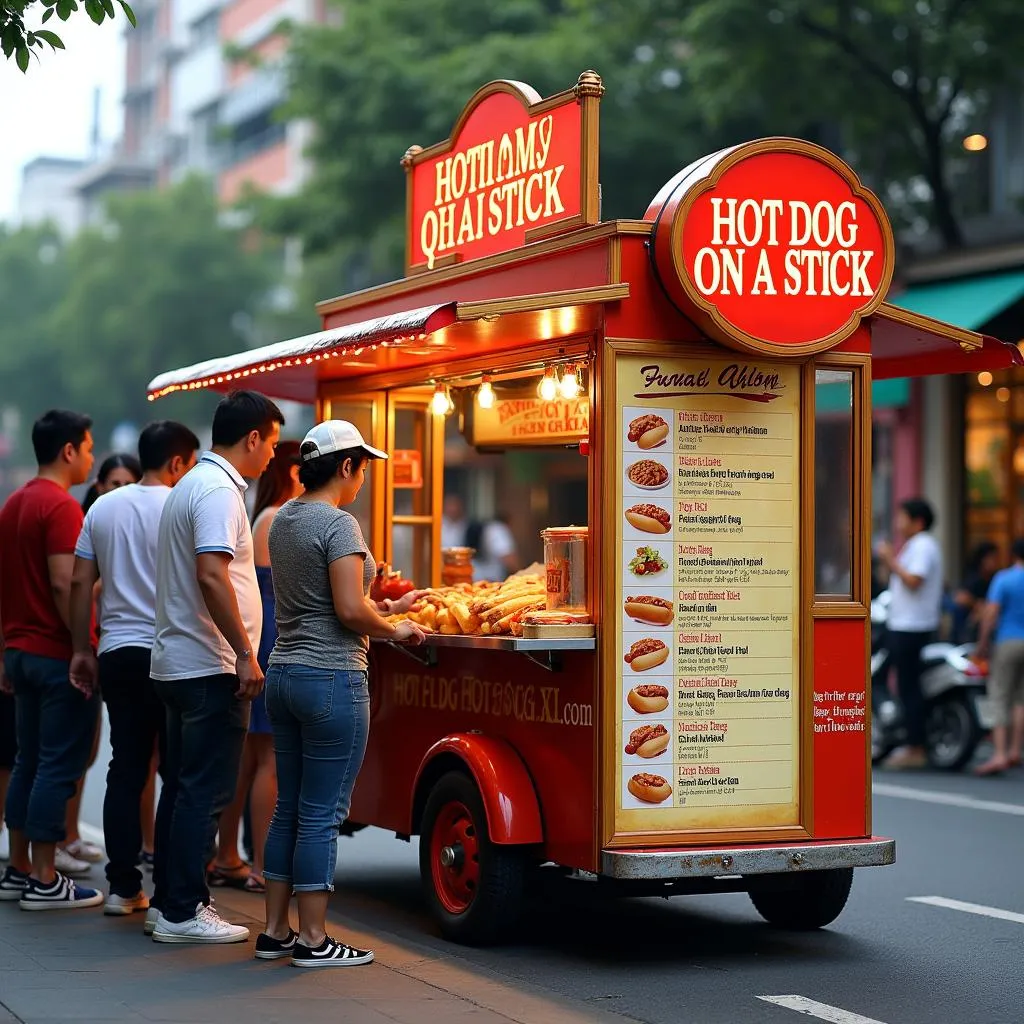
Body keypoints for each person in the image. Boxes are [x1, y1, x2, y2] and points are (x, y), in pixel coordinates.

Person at [255, 420, 425, 967]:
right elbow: (349, 611)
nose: (364, 479)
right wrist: (396, 630)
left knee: (290, 808)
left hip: (283, 674)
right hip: (331, 677)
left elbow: (327, 601)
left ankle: (276, 930)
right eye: (363, 468)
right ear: (346, 466)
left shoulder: (284, 519)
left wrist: (390, 609)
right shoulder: (340, 524)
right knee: (322, 812)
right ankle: (313, 938)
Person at [149, 391, 283, 944]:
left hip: (185, 663)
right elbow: (211, 574)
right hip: (207, 666)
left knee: (183, 788)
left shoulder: (193, 485)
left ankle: (172, 904)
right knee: (203, 791)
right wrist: (246, 653)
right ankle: (182, 910)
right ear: (252, 438)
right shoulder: (217, 493)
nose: (274, 455)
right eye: (272, 443)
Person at [68, 421, 200, 917]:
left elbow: (82, 584)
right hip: (173, 652)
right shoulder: (181, 506)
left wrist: (83, 647)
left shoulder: (102, 506)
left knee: (125, 768)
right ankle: (169, 889)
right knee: (174, 772)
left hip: (118, 652)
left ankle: (123, 887)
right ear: (176, 463)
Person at [0, 409, 103, 910]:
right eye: (87, 447)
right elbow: (66, 582)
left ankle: (18, 866)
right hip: (55, 654)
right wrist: (83, 647)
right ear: (68, 451)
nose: (91, 455)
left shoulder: (14, 504)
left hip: (19, 651)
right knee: (57, 763)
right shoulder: (61, 508)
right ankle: (45, 876)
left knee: (27, 760)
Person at [208, 440, 301, 894]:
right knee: (267, 760)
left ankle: (228, 853)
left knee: (246, 760)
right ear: (293, 473)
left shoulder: (264, 515)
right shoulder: (276, 517)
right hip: (269, 638)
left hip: (259, 636)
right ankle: (263, 864)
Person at [60, 452, 144, 872]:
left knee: (107, 754)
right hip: (100, 646)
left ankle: (77, 839)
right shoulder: (92, 522)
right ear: (98, 486)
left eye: (129, 482)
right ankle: (65, 837)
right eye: (113, 483)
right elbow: (77, 585)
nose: (121, 491)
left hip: (109, 647)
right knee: (87, 751)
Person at [876, 497, 943, 770]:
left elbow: (914, 581)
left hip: (912, 627)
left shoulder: (924, 546)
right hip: (903, 624)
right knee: (904, 684)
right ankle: (907, 738)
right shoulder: (914, 546)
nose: (898, 522)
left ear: (918, 521)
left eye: (902, 517)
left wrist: (891, 560)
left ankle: (915, 746)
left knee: (909, 687)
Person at [974, 538, 1024, 776]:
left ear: (1014, 554)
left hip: (1008, 641)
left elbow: (991, 613)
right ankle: (1016, 750)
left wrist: (983, 644)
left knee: (1000, 695)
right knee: (1020, 699)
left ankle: (1000, 753)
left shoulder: (1004, 579)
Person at [950, 541, 1000, 644]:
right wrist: (976, 605)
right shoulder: (973, 578)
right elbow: (960, 597)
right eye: (992, 558)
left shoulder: (995, 579)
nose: (995, 562)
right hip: (968, 630)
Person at [469, 513, 519, 582]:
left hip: (474, 576)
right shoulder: (499, 530)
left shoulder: (487, 527)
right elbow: (509, 559)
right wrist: (522, 575)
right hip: (490, 580)